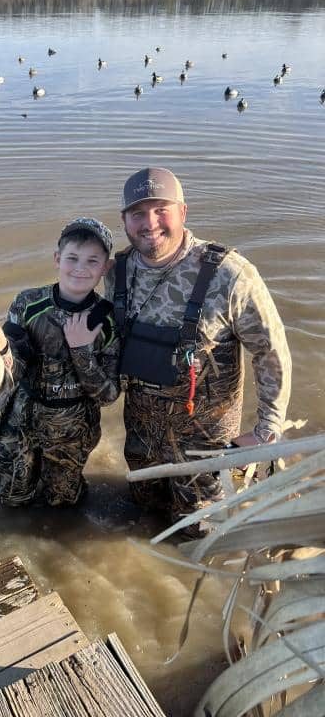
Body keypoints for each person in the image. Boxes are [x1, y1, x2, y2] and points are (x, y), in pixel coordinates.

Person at [105, 167, 292, 529]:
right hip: (141, 437)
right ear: (125, 221)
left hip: (205, 445)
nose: (150, 223)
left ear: (183, 212)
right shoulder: (117, 272)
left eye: (161, 210)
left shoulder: (230, 274)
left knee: (201, 533)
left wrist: (267, 430)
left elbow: (270, 351)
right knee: (141, 518)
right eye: (138, 213)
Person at [0, 217, 120, 507]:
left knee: (62, 504)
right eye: (72, 258)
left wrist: (80, 349)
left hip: (73, 429)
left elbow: (108, 396)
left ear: (105, 268)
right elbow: (16, 368)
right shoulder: (28, 302)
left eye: (92, 261)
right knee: (10, 498)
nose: (80, 268)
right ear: (57, 259)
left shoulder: (108, 319)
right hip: (20, 417)